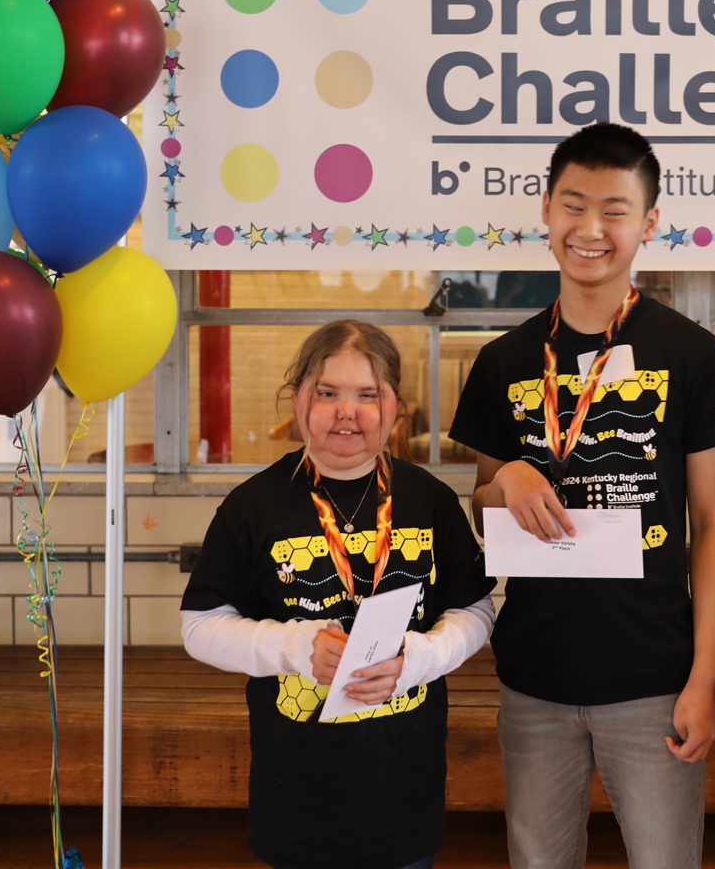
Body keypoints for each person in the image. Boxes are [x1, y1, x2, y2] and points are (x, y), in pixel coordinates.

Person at [449, 122, 715, 869]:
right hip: (534, 680)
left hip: (653, 680)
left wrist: (704, 679)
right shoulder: (502, 361)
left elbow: (713, 525)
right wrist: (505, 479)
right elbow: (484, 510)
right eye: (573, 205)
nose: (591, 229)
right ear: (546, 211)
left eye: (615, 210)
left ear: (649, 222)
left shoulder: (690, 352)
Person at [181, 321, 494, 869]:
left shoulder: (430, 501)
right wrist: (297, 647)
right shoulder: (253, 506)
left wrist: (418, 659)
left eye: (367, 394)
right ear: (299, 398)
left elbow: (474, 611)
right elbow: (201, 627)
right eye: (328, 393)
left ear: (395, 405)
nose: (347, 412)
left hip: (403, 791)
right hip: (297, 793)